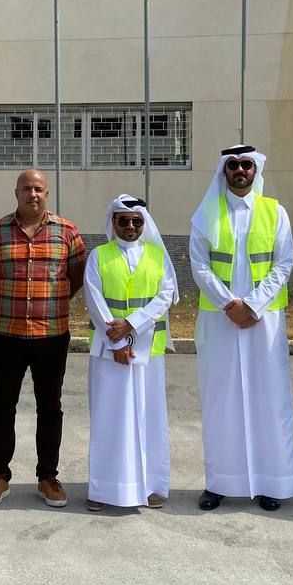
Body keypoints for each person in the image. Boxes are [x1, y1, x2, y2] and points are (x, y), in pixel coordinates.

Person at [188, 146, 293, 511]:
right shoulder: (206, 212)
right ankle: (220, 483)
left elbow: (283, 263)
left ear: (255, 170)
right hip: (219, 321)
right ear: (224, 170)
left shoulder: (274, 211)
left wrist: (252, 305)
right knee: (221, 401)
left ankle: (271, 483)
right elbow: (199, 265)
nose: (240, 170)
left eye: (246, 165)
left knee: (269, 400)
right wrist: (229, 305)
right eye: (233, 165)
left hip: (263, 321)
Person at [0, 169, 86, 508]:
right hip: (6, 334)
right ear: (17, 193)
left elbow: (76, 278)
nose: (32, 194)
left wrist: (52, 303)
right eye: (26, 188)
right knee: (2, 406)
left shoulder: (67, 232)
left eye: (38, 189)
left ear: (46, 194)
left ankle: (47, 477)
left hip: (51, 335)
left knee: (50, 407)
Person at [85, 194, 177, 511]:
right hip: (108, 351)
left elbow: (165, 297)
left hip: (148, 352)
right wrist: (118, 343)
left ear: (144, 223)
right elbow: (94, 301)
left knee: (150, 418)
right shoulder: (99, 256)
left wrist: (131, 326)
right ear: (113, 222)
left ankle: (150, 486)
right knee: (108, 418)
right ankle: (103, 489)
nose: (130, 226)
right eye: (123, 220)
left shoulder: (158, 256)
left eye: (136, 221)